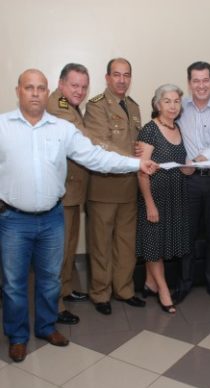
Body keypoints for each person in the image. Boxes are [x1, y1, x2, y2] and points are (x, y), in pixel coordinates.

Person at [0, 69, 157, 363]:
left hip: (51, 217)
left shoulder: (61, 128)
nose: (35, 93)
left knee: (50, 280)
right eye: (29, 87)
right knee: (14, 284)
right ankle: (18, 337)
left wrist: (136, 164)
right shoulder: (3, 127)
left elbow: (96, 156)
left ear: (47, 91)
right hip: (14, 220)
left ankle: (46, 327)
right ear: (18, 90)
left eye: (40, 88)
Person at [84, 58, 145, 315]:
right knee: (101, 245)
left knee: (126, 244)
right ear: (107, 78)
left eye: (126, 75)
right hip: (104, 187)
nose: (122, 80)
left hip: (129, 187)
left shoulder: (134, 107)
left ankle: (124, 290)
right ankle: (100, 293)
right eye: (117, 75)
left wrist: (141, 153)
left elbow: (135, 143)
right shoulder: (96, 106)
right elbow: (100, 144)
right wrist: (133, 160)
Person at [172, 61, 210, 305]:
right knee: (185, 236)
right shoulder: (180, 108)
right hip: (189, 182)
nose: (201, 85)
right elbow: (163, 122)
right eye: (196, 80)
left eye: (205, 80)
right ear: (189, 84)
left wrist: (193, 162)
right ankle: (184, 284)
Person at [136, 84, 189, 313]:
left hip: (175, 196)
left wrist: (190, 168)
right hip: (154, 196)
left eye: (176, 101)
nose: (172, 106)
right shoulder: (149, 130)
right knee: (153, 245)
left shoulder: (179, 128)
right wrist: (149, 203)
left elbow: (182, 164)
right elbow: (141, 171)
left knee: (160, 243)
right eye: (167, 101)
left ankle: (150, 283)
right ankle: (164, 291)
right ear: (158, 104)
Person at [47, 63, 90, 326]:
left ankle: (65, 289)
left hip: (73, 191)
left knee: (70, 246)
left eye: (84, 87)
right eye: (74, 85)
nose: (80, 91)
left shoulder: (71, 106)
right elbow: (82, 138)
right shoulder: (58, 106)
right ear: (61, 84)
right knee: (59, 252)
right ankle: (55, 305)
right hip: (62, 193)